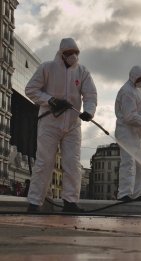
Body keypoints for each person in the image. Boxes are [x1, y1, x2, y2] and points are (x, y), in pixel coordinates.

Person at [25, 38, 97, 212]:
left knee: (72, 163)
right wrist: (50, 100)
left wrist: (89, 111)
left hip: (73, 124)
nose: (73, 56)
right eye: (69, 53)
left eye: (76, 53)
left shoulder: (82, 71)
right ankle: (34, 202)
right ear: (61, 53)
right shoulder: (46, 68)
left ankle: (70, 202)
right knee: (44, 162)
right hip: (49, 123)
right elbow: (31, 90)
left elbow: (90, 94)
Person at [115, 65, 141, 201]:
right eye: (140, 78)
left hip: (137, 134)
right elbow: (129, 116)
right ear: (133, 77)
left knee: (140, 165)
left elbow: (140, 103)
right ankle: (124, 194)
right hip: (127, 133)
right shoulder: (127, 91)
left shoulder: (137, 90)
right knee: (128, 163)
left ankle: (137, 194)